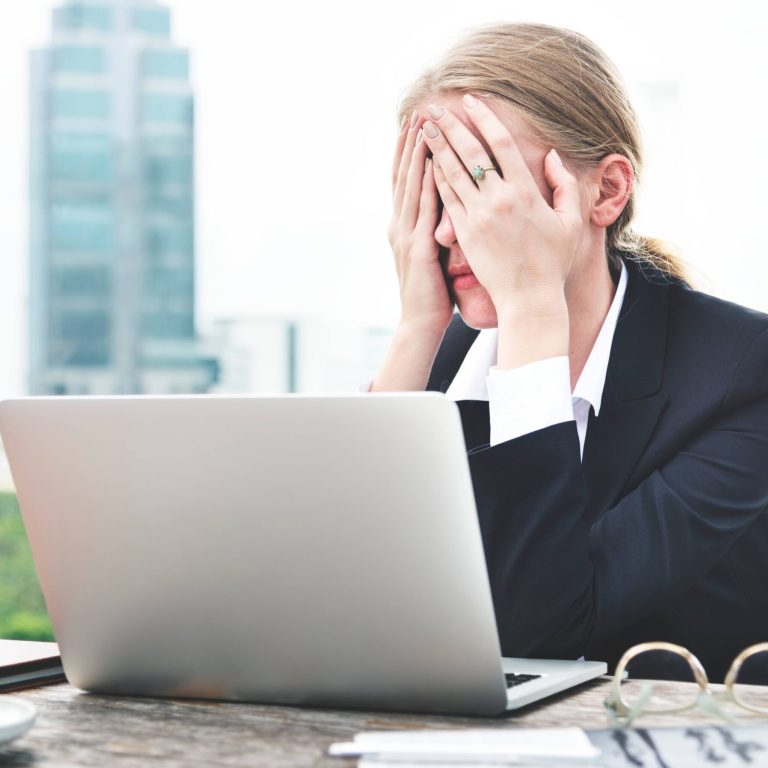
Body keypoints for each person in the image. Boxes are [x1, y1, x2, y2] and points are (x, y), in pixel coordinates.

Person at [371, 22, 768, 684]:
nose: (447, 230)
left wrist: (530, 309)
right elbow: (344, 603)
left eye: (487, 191)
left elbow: (539, 632)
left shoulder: (742, 375)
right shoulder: (437, 363)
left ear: (607, 191)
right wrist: (416, 328)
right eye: (436, 197)